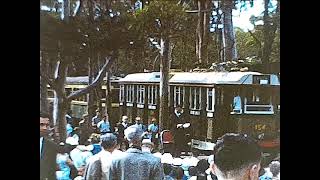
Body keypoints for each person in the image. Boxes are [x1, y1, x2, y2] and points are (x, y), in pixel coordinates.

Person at [40, 112, 59, 180]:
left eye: (47, 125)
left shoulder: (51, 146)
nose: (44, 128)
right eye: (41, 124)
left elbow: (51, 171)